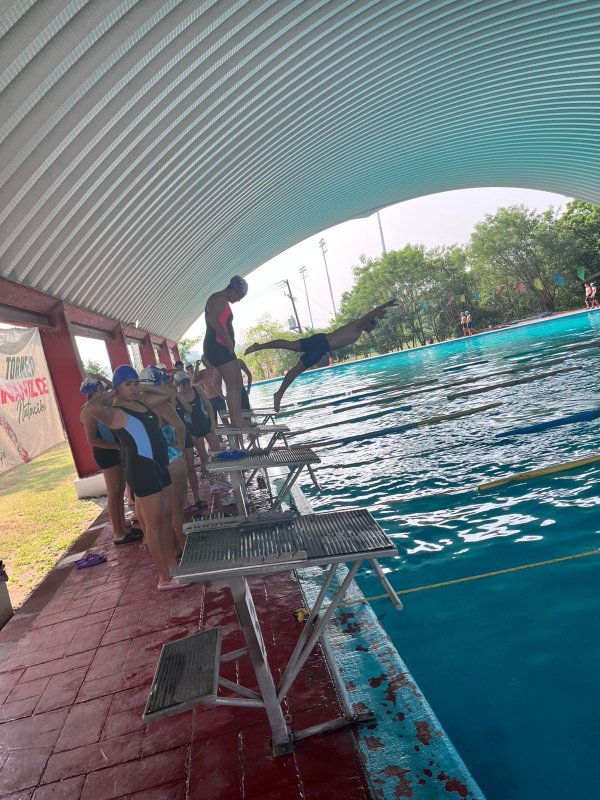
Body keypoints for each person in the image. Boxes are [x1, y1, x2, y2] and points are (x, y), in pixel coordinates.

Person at [84, 365, 184, 590]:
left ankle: (172, 565)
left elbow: (166, 393)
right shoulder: (117, 413)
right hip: (142, 472)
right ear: (118, 387)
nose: (134, 388)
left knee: (166, 519)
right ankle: (163, 578)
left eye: (135, 383)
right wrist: (114, 390)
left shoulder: (140, 403)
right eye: (128, 384)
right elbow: (91, 407)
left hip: (160, 467)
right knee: (154, 526)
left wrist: (136, 386)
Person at [246, 300, 397, 411]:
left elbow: (373, 317)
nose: (374, 327)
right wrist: (384, 305)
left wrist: (381, 314)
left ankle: (260, 346)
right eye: (374, 324)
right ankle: (279, 394)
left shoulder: (358, 328)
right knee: (296, 370)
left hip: (319, 339)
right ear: (368, 323)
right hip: (321, 347)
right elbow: (370, 315)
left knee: (290, 345)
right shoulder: (358, 326)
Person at [79, 377, 142, 546]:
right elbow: (92, 440)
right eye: (101, 388)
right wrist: (116, 446)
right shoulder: (88, 411)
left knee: (119, 490)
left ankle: (123, 527)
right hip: (105, 453)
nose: (104, 391)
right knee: (114, 493)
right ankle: (118, 533)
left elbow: (115, 389)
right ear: (94, 391)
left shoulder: (100, 406)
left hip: (113, 450)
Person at [139, 366, 187, 553]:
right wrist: (181, 445)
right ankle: (183, 545)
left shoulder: (137, 405)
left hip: (151, 459)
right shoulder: (161, 404)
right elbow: (180, 426)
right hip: (171, 456)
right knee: (176, 508)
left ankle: (170, 547)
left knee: (156, 513)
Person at [203, 275, 248, 427]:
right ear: (234, 291)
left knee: (237, 381)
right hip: (216, 347)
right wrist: (228, 339)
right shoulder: (217, 298)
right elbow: (212, 320)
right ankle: (236, 419)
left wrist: (229, 342)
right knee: (232, 382)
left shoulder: (223, 301)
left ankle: (237, 416)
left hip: (223, 347)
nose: (239, 300)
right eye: (239, 297)